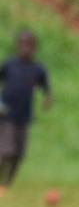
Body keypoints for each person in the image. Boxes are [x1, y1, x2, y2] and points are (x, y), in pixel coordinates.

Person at [0, 30, 51, 194]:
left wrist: (46, 98)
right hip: (6, 115)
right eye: (22, 44)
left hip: (24, 117)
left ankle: (6, 184)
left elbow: (45, 88)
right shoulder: (9, 65)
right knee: (6, 151)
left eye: (29, 45)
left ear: (34, 47)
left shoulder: (38, 69)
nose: (25, 48)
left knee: (19, 154)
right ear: (17, 46)